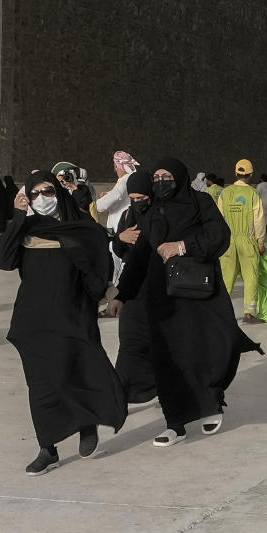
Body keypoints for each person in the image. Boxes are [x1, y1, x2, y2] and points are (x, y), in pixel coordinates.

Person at [107, 158, 261, 446]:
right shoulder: (152, 211)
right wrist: (123, 295)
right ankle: (174, 423)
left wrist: (183, 246)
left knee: (201, 349)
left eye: (167, 176)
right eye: (157, 176)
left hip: (197, 292)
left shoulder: (200, 202)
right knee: (166, 357)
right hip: (162, 297)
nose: (162, 181)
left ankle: (210, 403)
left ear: (179, 177)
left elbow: (219, 236)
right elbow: (140, 255)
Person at [0, 171, 127, 475]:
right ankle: (47, 448)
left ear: (58, 192)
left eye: (47, 191)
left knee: (77, 372)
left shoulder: (81, 226)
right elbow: (0, 259)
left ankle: (87, 422)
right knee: (41, 385)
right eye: (34, 193)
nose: (41, 198)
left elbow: (97, 268)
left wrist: (101, 294)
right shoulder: (25, 227)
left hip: (73, 316)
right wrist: (17, 215)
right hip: (33, 319)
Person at [111, 169, 158, 403]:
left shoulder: (162, 214)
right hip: (132, 287)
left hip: (159, 287)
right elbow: (119, 252)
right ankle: (124, 391)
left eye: (143, 198)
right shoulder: (128, 215)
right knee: (130, 341)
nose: (138, 203)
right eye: (134, 199)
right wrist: (121, 238)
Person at [219, 159, 266, 323]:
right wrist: (260, 243)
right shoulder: (253, 193)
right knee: (250, 276)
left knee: (226, 278)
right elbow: (259, 221)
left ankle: (219, 312)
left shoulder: (225, 193)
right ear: (251, 174)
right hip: (248, 241)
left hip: (228, 241)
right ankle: (249, 314)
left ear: (235, 173)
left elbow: (219, 218)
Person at [90, 151, 140, 284]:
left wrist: (95, 204)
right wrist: (107, 193)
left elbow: (106, 203)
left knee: (118, 268)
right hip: (121, 228)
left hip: (121, 229)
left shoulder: (125, 180)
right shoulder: (129, 179)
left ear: (117, 165)